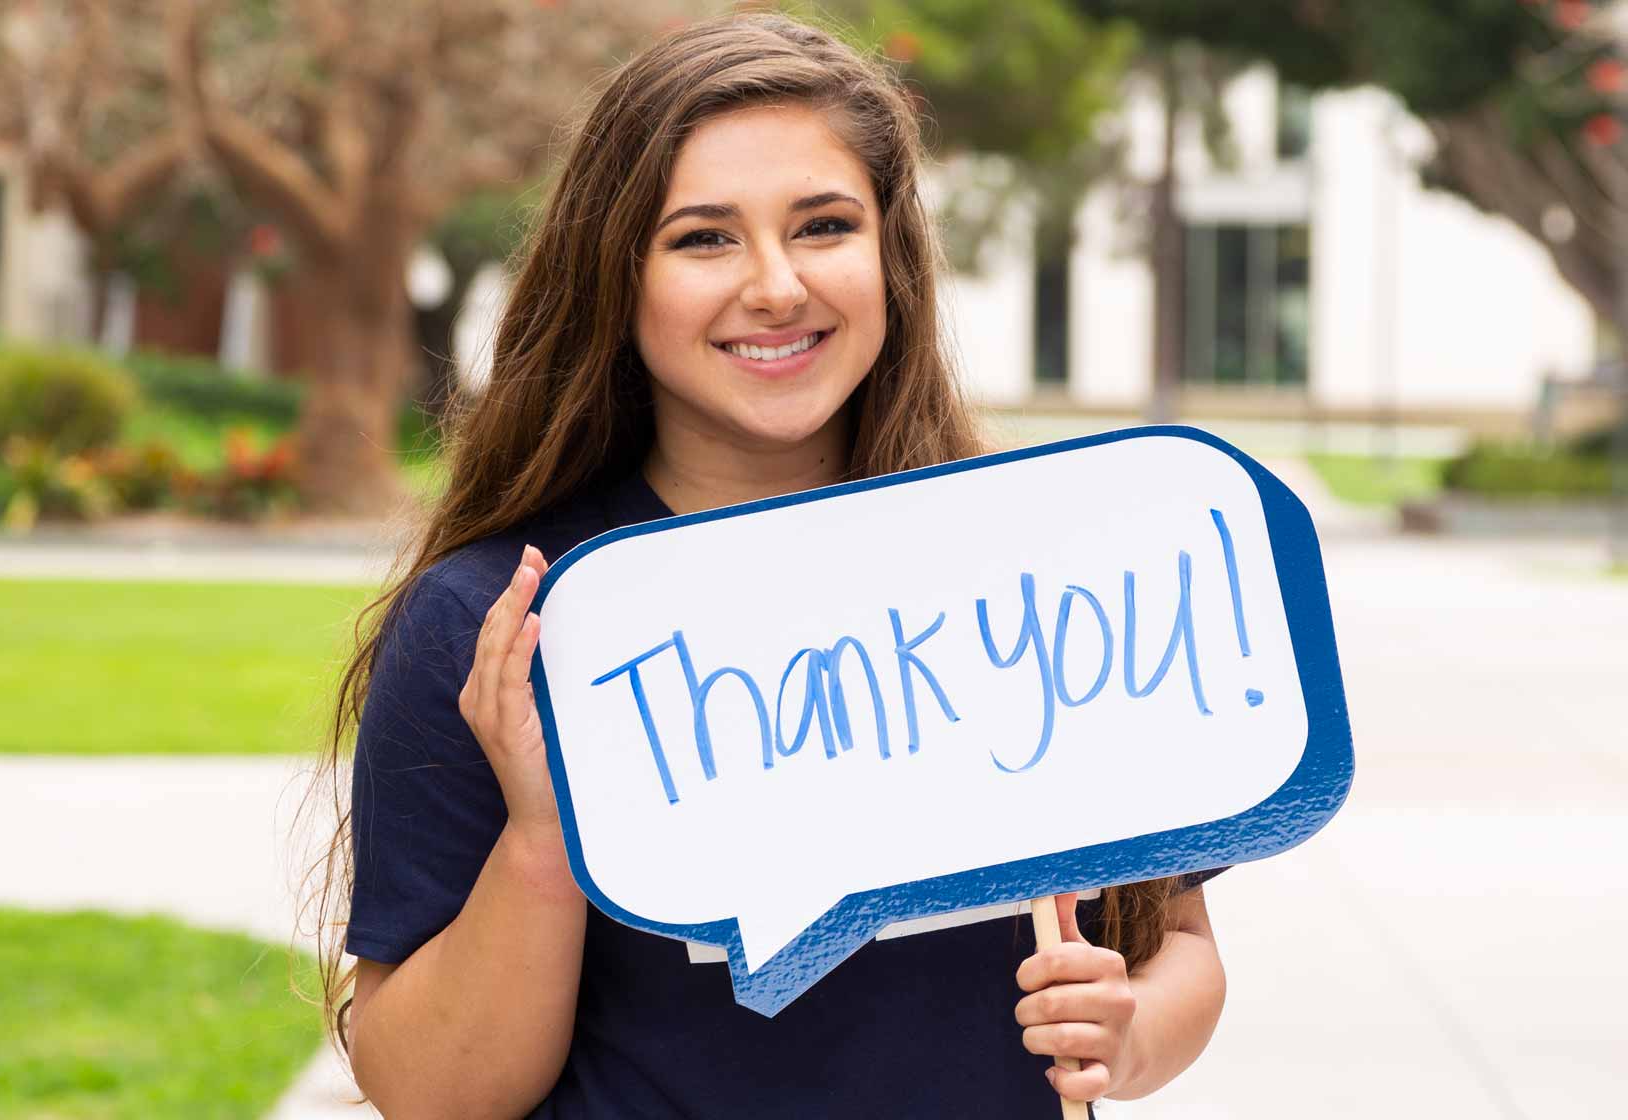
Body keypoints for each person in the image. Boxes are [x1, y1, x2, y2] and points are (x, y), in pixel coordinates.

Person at [302, 12, 1227, 1118]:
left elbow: (1179, 948)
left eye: (824, 225)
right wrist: (546, 840)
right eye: (704, 238)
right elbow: (430, 1092)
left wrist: (1128, 1034)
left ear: (889, 250)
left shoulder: (1026, 567)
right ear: (618, 277)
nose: (777, 285)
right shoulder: (501, 624)